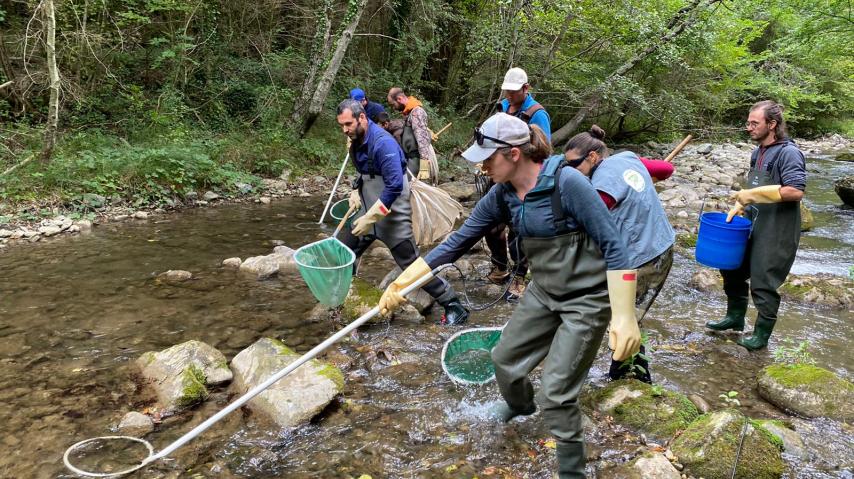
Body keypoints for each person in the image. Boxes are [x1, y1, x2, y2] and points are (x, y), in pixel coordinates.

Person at [377, 113, 639, 478]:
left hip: (587, 299)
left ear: (514, 153)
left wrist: (624, 316)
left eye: (488, 157)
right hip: (544, 291)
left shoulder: (568, 184)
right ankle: (521, 407)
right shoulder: (502, 195)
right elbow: (456, 243)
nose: (482, 166)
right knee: (503, 359)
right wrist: (401, 284)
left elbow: (616, 248)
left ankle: (572, 473)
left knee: (557, 393)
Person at [335, 99, 469, 325]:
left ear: (362, 118)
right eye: (341, 125)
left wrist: (372, 217)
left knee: (411, 263)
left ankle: (453, 303)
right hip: (367, 208)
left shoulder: (383, 143)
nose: (345, 130)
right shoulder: (356, 140)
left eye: (348, 124)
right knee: (344, 252)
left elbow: (395, 185)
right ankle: (343, 300)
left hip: (392, 214)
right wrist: (355, 191)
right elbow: (365, 171)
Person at [565, 125, 676, 384]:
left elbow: (588, 223)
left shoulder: (602, 187)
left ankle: (632, 380)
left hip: (642, 257)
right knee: (625, 314)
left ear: (593, 157)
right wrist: (643, 179)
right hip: (663, 245)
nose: (569, 172)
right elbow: (666, 169)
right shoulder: (626, 158)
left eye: (574, 165)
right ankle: (624, 374)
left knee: (624, 316)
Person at [706, 100, 806, 350]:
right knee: (732, 268)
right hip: (752, 222)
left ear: (772, 124)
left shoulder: (789, 153)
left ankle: (761, 336)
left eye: (754, 123)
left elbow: (795, 191)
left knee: (764, 281)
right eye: (748, 122)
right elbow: (754, 188)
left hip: (777, 230)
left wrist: (751, 195)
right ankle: (735, 318)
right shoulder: (757, 152)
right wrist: (742, 204)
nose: (748, 127)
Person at [482, 67, 553, 298]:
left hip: (522, 180)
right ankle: (500, 266)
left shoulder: (537, 113)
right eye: (507, 91)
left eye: (514, 91)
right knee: (491, 226)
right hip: (500, 175)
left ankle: (520, 275)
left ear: (526, 88)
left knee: (518, 229)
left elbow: (542, 150)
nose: (509, 95)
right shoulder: (501, 108)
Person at [387, 87, 438, 183]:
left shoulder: (416, 112)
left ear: (399, 99)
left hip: (418, 159)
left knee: (415, 189)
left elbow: (421, 140)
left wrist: (424, 166)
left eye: (393, 104)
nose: (393, 108)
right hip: (412, 158)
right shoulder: (410, 112)